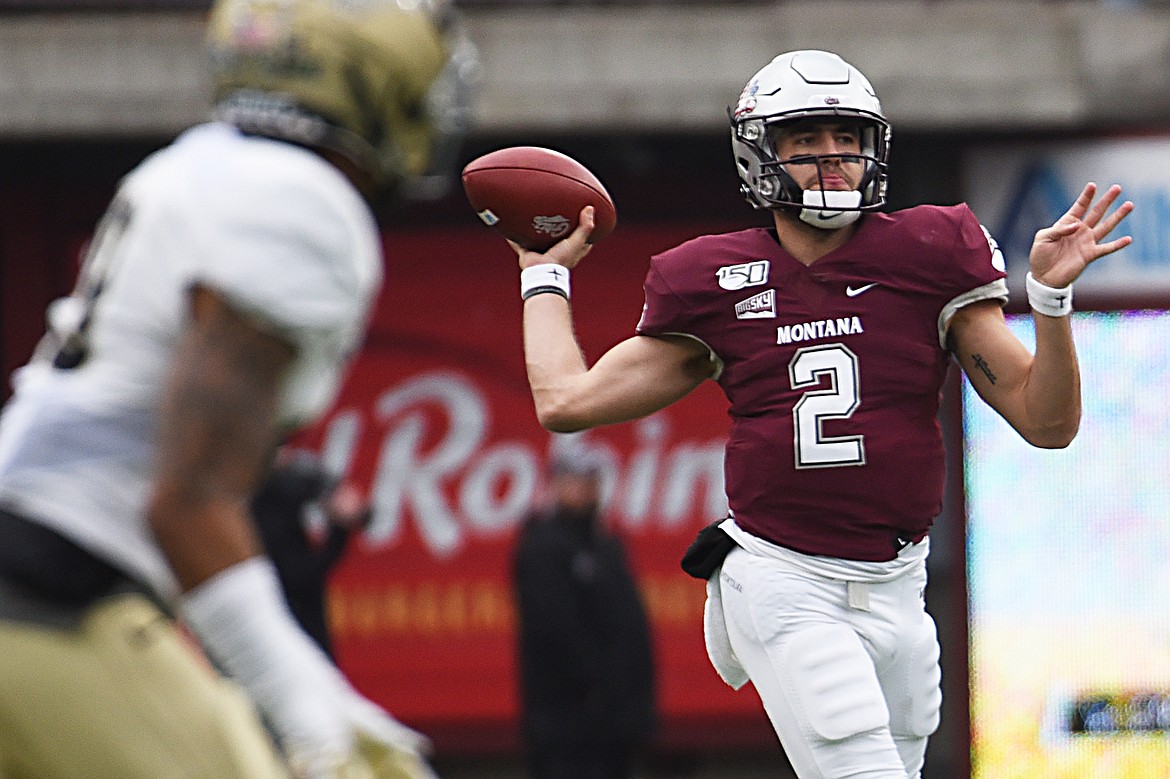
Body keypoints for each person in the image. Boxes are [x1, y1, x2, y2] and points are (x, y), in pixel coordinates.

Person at [507, 50, 1133, 779]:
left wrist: (1050, 303)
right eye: (806, 140)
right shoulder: (714, 279)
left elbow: (1047, 423)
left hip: (899, 582)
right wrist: (543, 273)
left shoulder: (930, 253)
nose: (832, 159)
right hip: (783, 578)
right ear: (760, 153)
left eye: (847, 138)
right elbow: (566, 400)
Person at [0, 1, 476, 777]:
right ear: (361, 78)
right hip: (55, 597)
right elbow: (186, 501)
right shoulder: (298, 203)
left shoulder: (197, 164)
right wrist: (299, 694)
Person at [512, 451, 657, 779]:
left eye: (594, 480)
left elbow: (630, 626)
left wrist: (636, 699)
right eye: (579, 480)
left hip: (615, 721)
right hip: (565, 720)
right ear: (556, 485)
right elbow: (553, 631)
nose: (589, 489)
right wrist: (597, 687)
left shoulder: (606, 544)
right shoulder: (542, 546)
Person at [251, 449, 373, 660]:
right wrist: (339, 529)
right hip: (279, 616)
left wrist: (335, 496)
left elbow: (324, 488)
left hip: (297, 616)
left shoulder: (289, 474)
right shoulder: (258, 500)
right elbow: (299, 575)